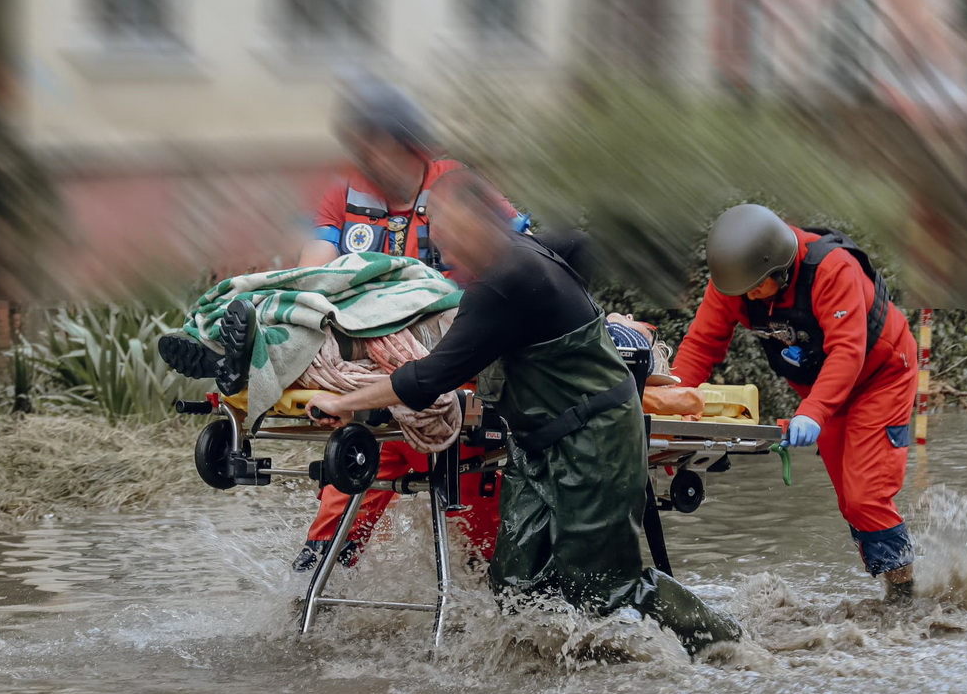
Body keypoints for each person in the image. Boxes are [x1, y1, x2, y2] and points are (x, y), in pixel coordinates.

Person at [305, 169, 743, 656]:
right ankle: (554, 671)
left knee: (603, 588)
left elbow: (430, 379)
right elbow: (580, 244)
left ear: (477, 226)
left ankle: (726, 645)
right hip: (536, 447)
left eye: (446, 240)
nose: (441, 254)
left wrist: (341, 402)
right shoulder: (529, 258)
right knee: (514, 582)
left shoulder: (504, 281)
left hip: (596, 441)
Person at [293, 76, 524, 571]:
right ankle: (308, 607)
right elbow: (313, 279)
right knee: (328, 543)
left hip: (455, 382)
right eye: (358, 141)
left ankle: (504, 616)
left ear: (402, 138)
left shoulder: (458, 185)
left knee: (490, 553)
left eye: (371, 139)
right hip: (374, 394)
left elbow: (524, 258)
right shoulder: (342, 193)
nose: (365, 153)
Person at [670, 204, 919, 602]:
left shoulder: (832, 270)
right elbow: (701, 346)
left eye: (755, 288)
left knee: (865, 497)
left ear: (779, 269)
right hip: (823, 389)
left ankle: (905, 600)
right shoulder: (737, 279)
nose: (747, 297)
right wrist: (670, 407)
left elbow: (847, 352)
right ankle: (892, 581)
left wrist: (813, 413)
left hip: (880, 376)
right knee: (849, 503)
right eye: (741, 290)